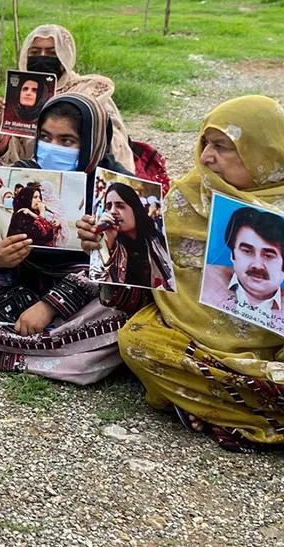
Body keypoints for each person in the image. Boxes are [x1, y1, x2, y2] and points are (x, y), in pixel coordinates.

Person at [80, 95, 284, 453]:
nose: (206, 157)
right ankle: (225, 405)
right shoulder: (184, 199)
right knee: (138, 342)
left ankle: (197, 400)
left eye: (223, 147)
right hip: (187, 338)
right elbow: (146, 287)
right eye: (206, 143)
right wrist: (106, 249)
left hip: (267, 351)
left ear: (264, 154)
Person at [0, 93, 131, 385]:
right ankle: (50, 352)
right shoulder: (23, 175)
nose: (52, 148)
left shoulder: (116, 190)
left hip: (81, 296)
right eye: (45, 137)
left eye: (67, 141)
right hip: (19, 287)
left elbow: (141, 267)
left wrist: (102, 248)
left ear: (92, 142)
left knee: (121, 315)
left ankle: (0, 342)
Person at [0, 24, 163, 185]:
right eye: (35, 52)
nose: (42, 57)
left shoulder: (87, 89)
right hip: (27, 171)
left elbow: (110, 141)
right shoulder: (23, 93)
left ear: (65, 57)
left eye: (51, 53)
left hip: (79, 170)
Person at [200, 205, 284, 324]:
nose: (257, 265)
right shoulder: (206, 279)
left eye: (268, 256)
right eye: (247, 251)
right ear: (232, 255)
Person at [92, 182, 175, 291]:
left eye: (120, 206)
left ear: (135, 209)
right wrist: (106, 244)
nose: (113, 211)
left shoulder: (156, 241)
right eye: (109, 206)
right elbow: (102, 288)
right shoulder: (109, 245)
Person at [6, 182, 60, 247]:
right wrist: (42, 213)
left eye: (39, 197)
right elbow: (36, 234)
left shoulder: (32, 213)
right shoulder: (21, 214)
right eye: (35, 197)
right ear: (27, 199)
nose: (39, 200)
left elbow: (49, 234)